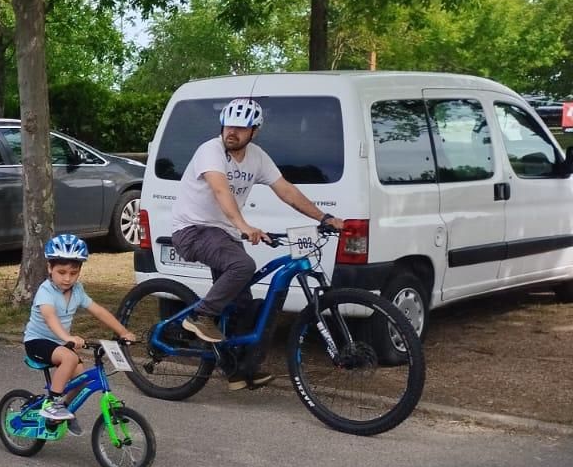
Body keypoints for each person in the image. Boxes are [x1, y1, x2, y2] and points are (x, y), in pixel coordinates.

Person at [169, 97, 344, 388]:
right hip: (193, 230)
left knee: (246, 305)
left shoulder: (257, 157)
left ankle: (238, 369)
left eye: (241, 127)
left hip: (223, 235)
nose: (232, 132)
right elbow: (221, 190)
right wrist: (243, 226)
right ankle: (200, 316)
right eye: (228, 125)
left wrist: (324, 217)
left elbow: (286, 190)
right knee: (243, 265)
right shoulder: (209, 151)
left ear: (254, 131)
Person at [22, 234, 137, 422]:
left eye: (73, 273)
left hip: (60, 343)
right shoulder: (45, 291)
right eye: (61, 272)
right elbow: (50, 318)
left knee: (82, 380)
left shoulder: (77, 290)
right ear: (49, 268)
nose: (67, 278)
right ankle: (53, 404)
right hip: (37, 343)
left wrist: (123, 332)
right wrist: (67, 337)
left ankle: (63, 413)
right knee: (69, 357)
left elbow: (98, 311)